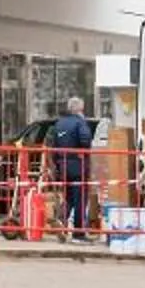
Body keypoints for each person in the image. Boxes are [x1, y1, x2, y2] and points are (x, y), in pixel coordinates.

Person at [48, 96, 96, 236]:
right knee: (80, 198)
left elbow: (54, 147)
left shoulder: (59, 124)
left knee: (68, 196)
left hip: (63, 166)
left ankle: (61, 220)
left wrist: (57, 166)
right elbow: (86, 140)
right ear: (80, 109)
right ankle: (78, 232)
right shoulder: (80, 123)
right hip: (78, 166)